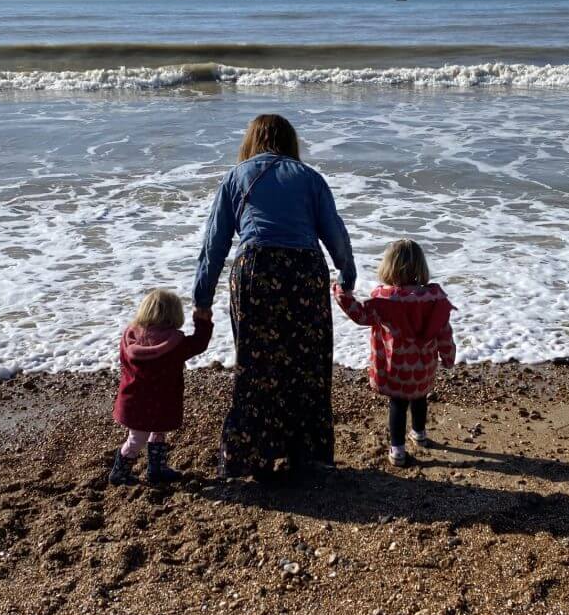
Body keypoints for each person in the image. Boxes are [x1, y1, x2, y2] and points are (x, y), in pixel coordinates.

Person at [193, 114, 356, 480]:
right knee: (308, 365)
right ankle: (307, 456)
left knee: (256, 366)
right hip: (304, 272)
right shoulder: (310, 178)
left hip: (256, 271)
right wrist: (347, 275)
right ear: (290, 142)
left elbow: (213, 245)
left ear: (251, 141)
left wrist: (201, 300)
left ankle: (253, 458)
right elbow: (336, 235)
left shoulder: (236, 178)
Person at [333, 239, 456, 466]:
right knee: (420, 398)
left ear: (388, 267)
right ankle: (419, 434)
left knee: (398, 404)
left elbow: (359, 315)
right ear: (421, 267)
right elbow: (444, 332)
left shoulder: (384, 301)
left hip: (396, 368)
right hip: (423, 367)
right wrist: (448, 357)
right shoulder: (434, 300)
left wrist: (341, 292)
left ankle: (398, 451)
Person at [110, 288, 212, 486]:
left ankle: (157, 469)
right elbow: (199, 343)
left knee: (149, 433)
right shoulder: (175, 343)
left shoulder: (129, 337)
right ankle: (119, 473)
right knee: (138, 439)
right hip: (162, 400)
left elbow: (124, 363)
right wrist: (202, 321)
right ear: (175, 314)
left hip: (133, 401)